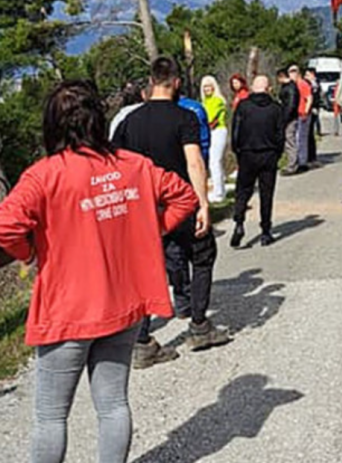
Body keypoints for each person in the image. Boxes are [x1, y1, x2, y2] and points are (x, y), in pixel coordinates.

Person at [0, 80, 199, 463]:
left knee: (51, 416)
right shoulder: (133, 165)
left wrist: (30, 252)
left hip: (67, 311)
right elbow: (184, 197)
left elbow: (5, 226)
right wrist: (148, 230)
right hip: (124, 306)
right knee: (113, 404)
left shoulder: (44, 175)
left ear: (52, 124)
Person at [114, 58, 230, 362]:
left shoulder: (129, 121)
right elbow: (194, 161)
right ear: (176, 82)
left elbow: (116, 165)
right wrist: (203, 203)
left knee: (144, 269)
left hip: (143, 206)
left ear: (151, 82)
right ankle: (199, 326)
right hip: (181, 201)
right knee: (202, 255)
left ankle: (141, 341)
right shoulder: (184, 117)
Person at [230, 75, 285, 248]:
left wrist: (237, 151)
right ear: (268, 88)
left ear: (253, 88)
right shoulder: (276, 108)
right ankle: (266, 231)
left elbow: (236, 132)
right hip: (268, 154)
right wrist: (277, 153)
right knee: (266, 193)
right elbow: (280, 134)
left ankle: (239, 222)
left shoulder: (243, 106)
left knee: (243, 191)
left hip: (247, 153)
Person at [201, 75, 229, 203]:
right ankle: (220, 188)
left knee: (214, 162)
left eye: (209, 85)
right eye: (204, 86)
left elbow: (210, 118)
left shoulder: (217, 100)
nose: (207, 89)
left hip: (218, 131)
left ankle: (219, 193)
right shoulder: (204, 102)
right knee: (215, 162)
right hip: (209, 132)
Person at [289, 65, 312, 171]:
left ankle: (303, 162)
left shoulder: (302, 84)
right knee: (297, 138)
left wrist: (306, 112)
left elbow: (309, 98)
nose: (291, 74)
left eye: (293, 71)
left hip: (303, 114)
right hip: (297, 114)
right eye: (289, 71)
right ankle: (298, 160)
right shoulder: (293, 85)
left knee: (302, 139)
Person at [277, 68, 300, 175]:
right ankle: (292, 163)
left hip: (290, 118)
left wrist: (285, 118)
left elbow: (291, 105)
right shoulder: (287, 87)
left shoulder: (290, 88)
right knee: (288, 140)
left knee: (290, 140)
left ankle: (292, 165)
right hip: (288, 116)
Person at [304, 67, 321, 164]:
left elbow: (315, 97)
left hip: (312, 110)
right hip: (312, 109)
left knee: (310, 133)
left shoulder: (314, 84)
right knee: (309, 134)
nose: (306, 77)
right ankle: (310, 155)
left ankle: (311, 156)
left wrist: (315, 107)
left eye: (307, 75)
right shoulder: (312, 83)